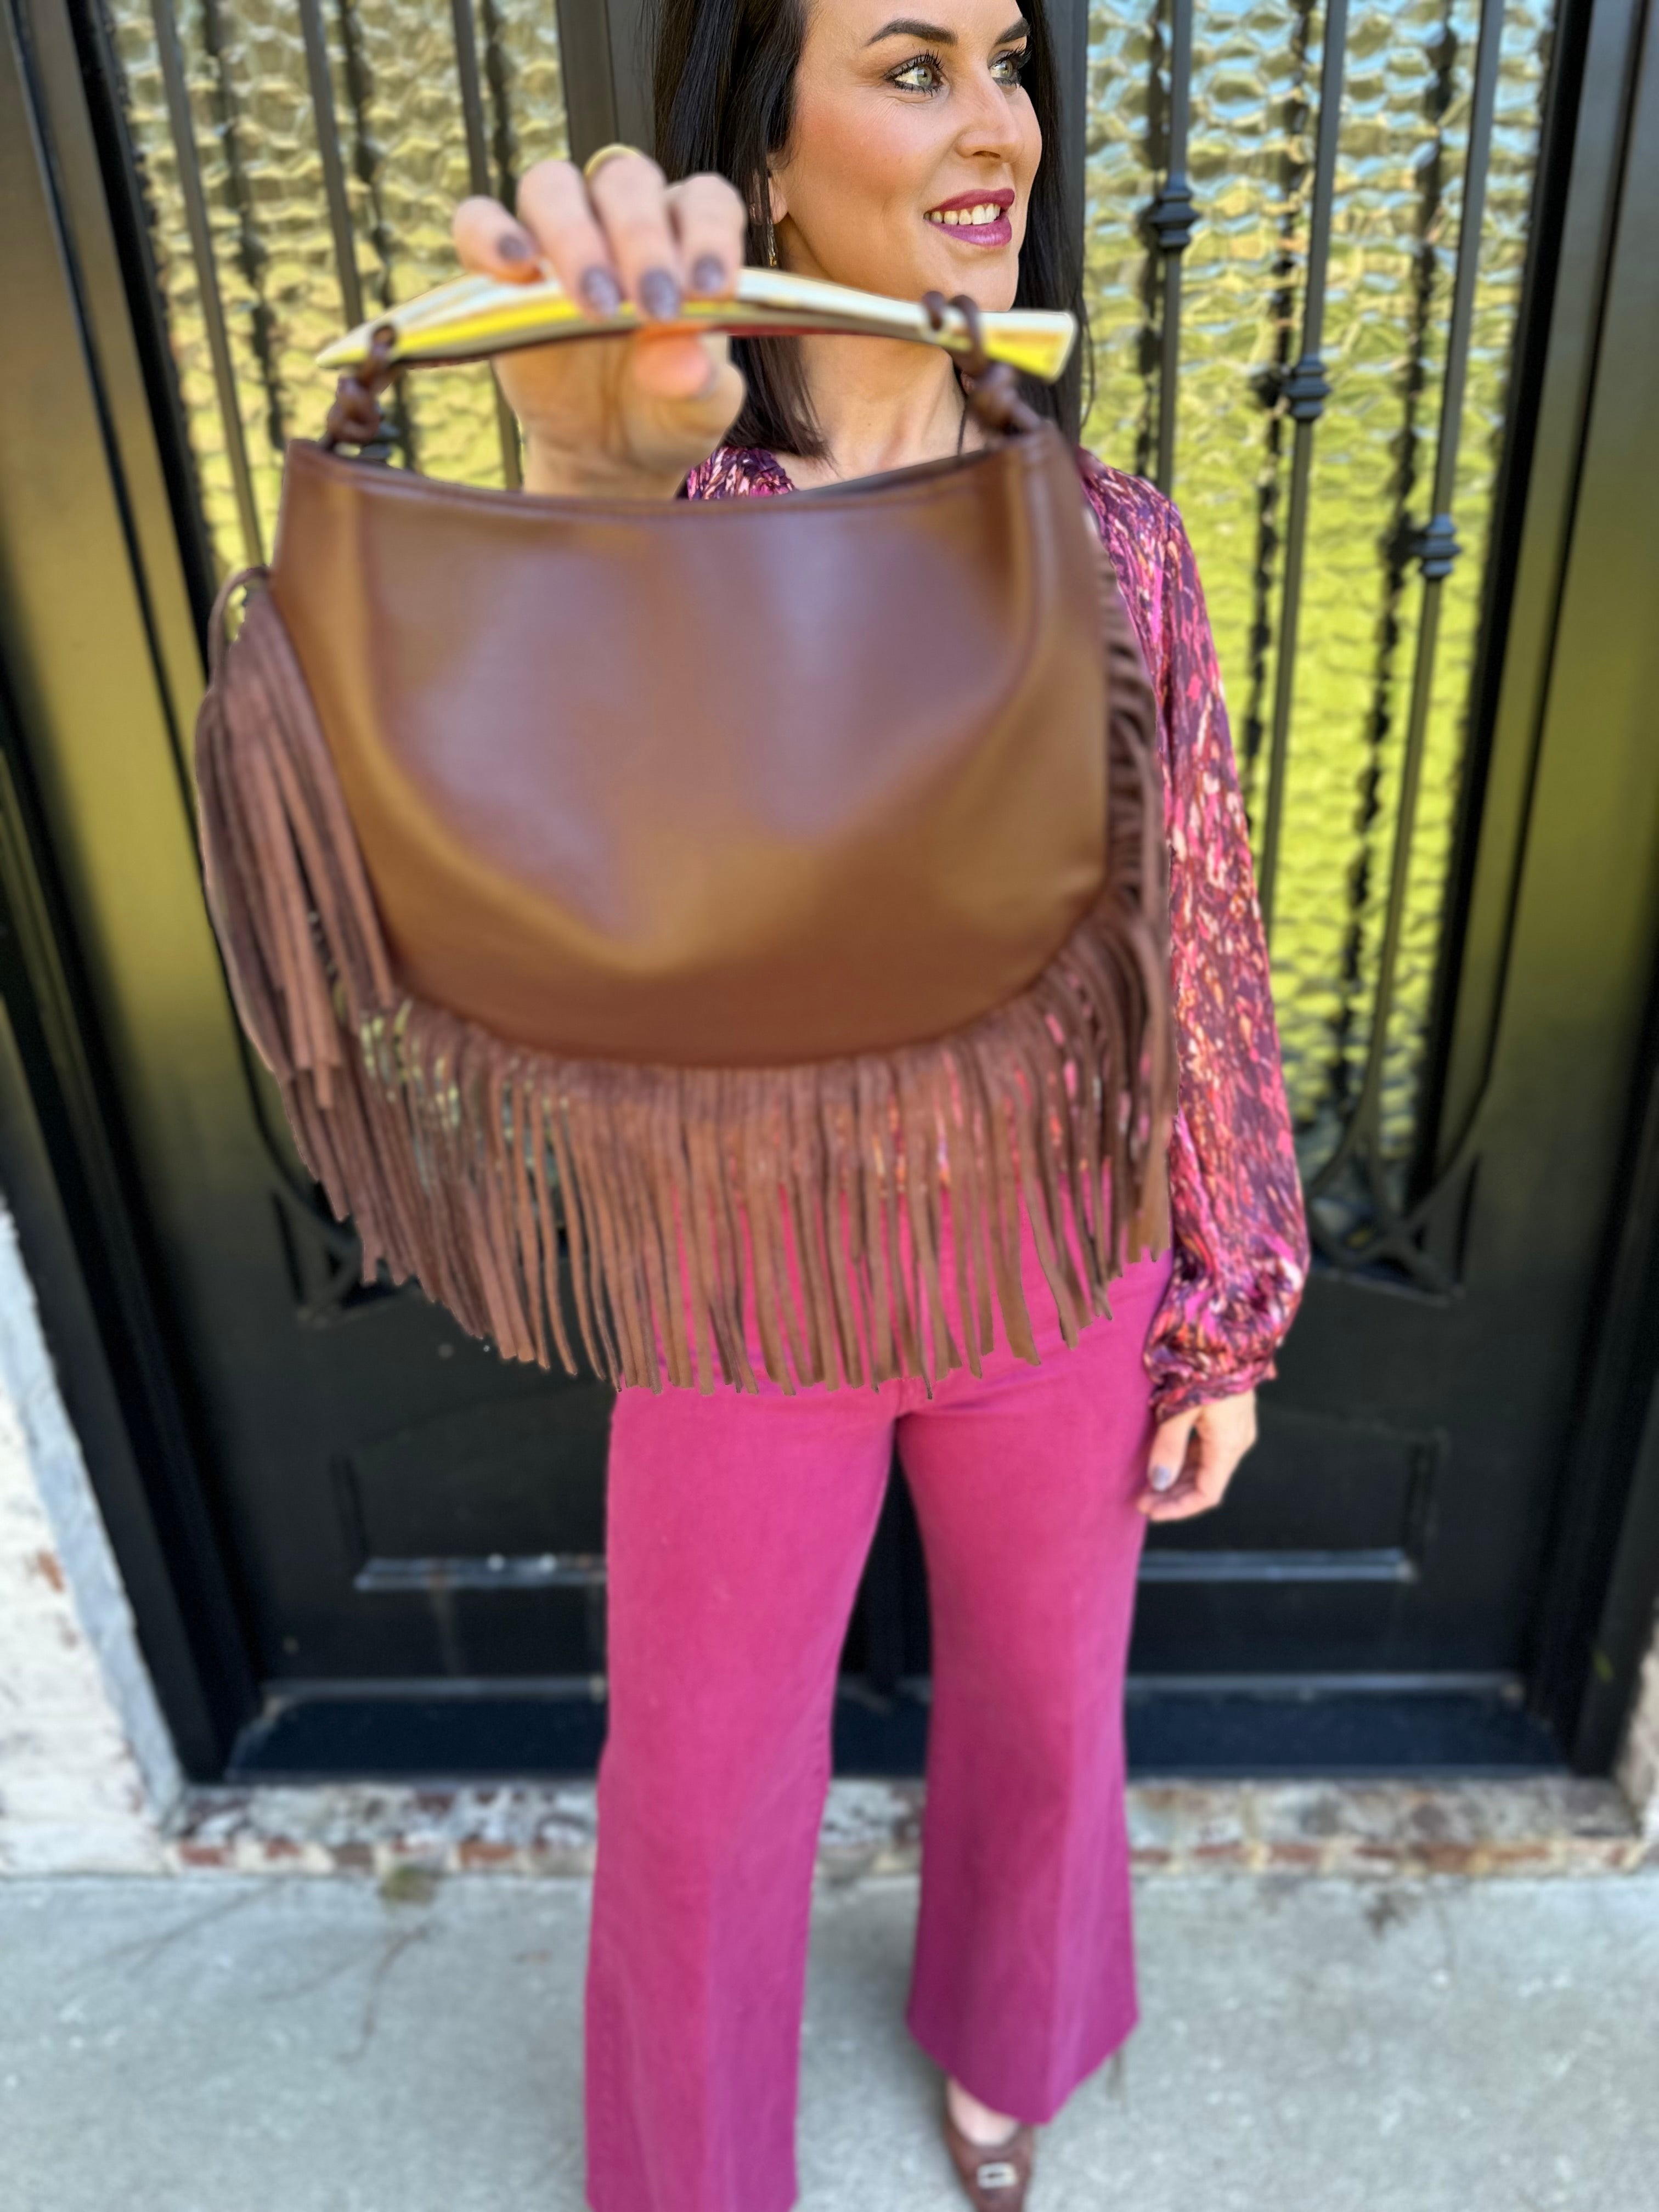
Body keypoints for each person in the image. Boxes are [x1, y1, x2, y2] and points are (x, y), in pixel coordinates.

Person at [449, 0, 1308, 2203]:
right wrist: (578, 504)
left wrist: (1228, 1297)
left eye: (1007, 63)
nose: (997, 122)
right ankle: (688, 2171)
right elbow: (525, 908)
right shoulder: (669, 520)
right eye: (913, 66)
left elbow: (1194, 927)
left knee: (1050, 1711)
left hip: (1062, 1267)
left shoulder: (1114, 537)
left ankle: (1018, 2039)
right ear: (769, 141)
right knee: (698, 1781)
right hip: (749, 1289)